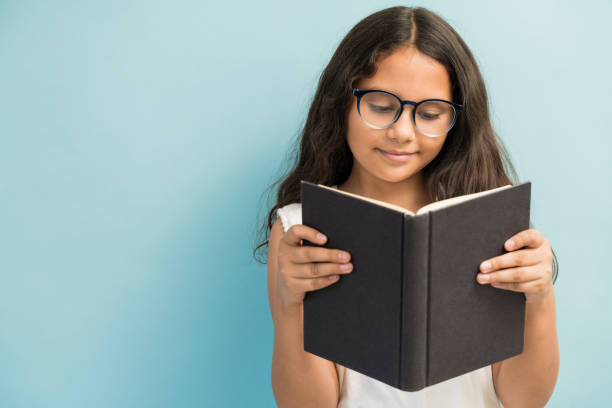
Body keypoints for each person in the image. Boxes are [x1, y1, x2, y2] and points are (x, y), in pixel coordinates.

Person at [254, 6, 559, 407]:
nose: (402, 132)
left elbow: (525, 400)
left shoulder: (489, 220)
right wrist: (291, 305)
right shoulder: (300, 229)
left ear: (456, 120)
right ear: (341, 102)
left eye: (430, 114)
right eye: (380, 106)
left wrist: (539, 300)